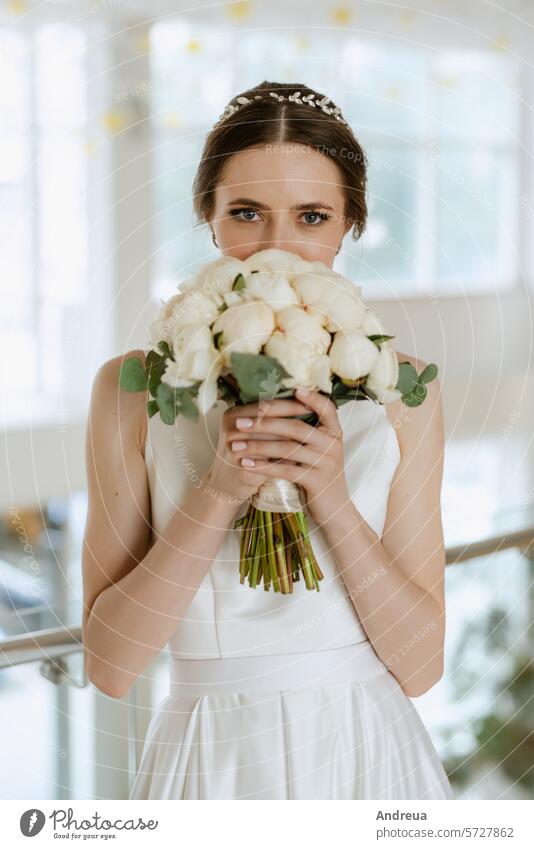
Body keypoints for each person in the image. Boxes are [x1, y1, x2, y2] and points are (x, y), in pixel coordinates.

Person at [82, 80, 453, 800]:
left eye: (312, 216)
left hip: (366, 752)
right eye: (247, 213)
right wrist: (219, 487)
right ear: (210, 220)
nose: (277, 249)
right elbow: (112, 666)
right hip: (208, 758)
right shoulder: (130, 389)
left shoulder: (402, 389)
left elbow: (422, 665)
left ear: (349, 225)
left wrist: (332, 496)